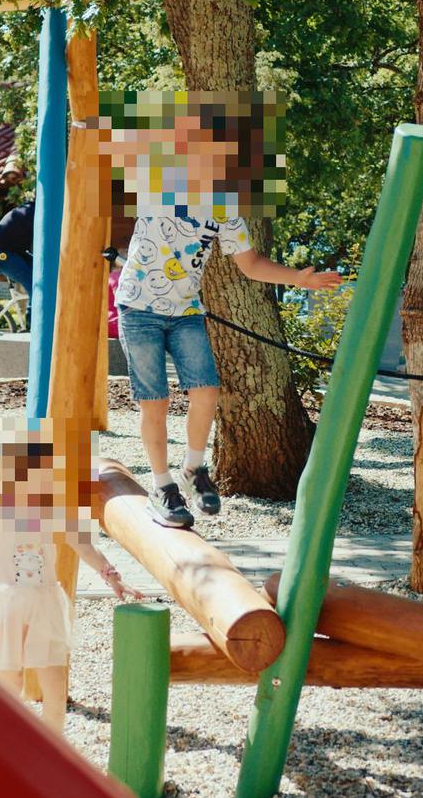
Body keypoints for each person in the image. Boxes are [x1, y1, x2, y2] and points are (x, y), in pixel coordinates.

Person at [112, 120, 340, 527]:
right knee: (156, 402)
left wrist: (298, 278)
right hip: (139, 309)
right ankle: (163, 487)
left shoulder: (224, 210)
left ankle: (194, 469)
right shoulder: (157, 184)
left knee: (207, 391)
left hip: (184, 312)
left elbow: (250, 265)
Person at [0, 438, 141, 733]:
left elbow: (82, 544)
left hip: (44, 603)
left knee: (55, 683)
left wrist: (110, 574)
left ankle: (55, 747)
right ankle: (6, 745)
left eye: (46, 477)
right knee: (10, 681)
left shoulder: (54, 506)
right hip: (5, 603)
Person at [0, 195, 34, 297]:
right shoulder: (32, 213)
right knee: (35, 284)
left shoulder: (27, 209)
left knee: (39, 273)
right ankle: (31, 313)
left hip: (6, 253)